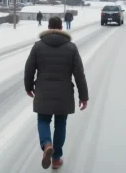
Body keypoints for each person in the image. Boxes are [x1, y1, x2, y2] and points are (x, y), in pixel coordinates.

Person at [24, 16, 89, 170]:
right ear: (61, 28)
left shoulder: (38, 46)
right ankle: (56, 159)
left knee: (43, 121)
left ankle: (47, 144)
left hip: (43, 92)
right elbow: (79, 74)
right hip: (64, 94)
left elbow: (29, 69)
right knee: (60, 124)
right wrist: (83, 96)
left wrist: (28, 87)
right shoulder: (71, 47)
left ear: (48, 26)